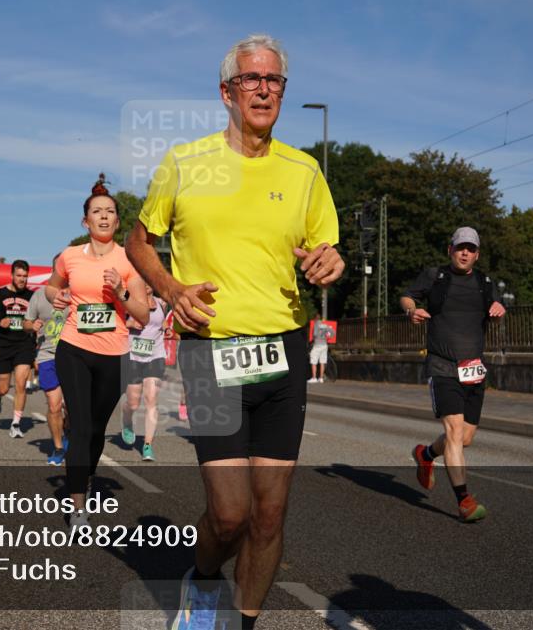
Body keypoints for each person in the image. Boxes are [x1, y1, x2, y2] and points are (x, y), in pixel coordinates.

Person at [125, 34, 344, 629]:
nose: (265, 89)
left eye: (275, 80)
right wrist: (171, 291)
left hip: (284, 351)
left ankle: (243, 623)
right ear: (226, 91)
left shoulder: (304, 171)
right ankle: (202, 582)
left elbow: (327, 250)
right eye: (252, 79)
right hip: (211, 352)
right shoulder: (185, 163)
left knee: (269, 515)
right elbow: (138, 242)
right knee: (229, 514)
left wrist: (333, 263)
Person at [46, 180, 150, 526]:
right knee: (81, 425)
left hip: (114, 355)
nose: (103, 217)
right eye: (97, 212)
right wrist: (55, 298)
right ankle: (77, 507)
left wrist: (121, 291)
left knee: (96, 430)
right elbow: (52, 286)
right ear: (85, 221)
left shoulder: (129, 259)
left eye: (110, 212)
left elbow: (143, 313)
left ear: (117, 222)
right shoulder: (70, 255)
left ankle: (83, 478)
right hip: (74, 347)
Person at [402, 226, 505, 523]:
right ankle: (465, 501)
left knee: (465, 438)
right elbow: (407, 297)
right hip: (442, 366)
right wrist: (411, 311)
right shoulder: (436, 277)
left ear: (477, 254)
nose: (465, 253)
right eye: (460, 247)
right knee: (455, 433)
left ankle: (425, 455)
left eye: (471, 249)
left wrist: (500, 308)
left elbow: (495, 310)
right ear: (450, 250)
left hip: (474, 370)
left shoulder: (486, 283)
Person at [0, 260, 37, 438]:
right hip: (3, 344)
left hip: (24, 344)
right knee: (4, 388)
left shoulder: (31, 296)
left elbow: (39, 315)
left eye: (25, 276)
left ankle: (15, 424)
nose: (22, 279)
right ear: (12, 275)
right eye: (19, 276)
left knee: (21, 384)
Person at [24, 262, 69, 466]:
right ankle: (58, 447)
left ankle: (67, 430)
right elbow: (27, 322)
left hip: (74, 356)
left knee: (71, 408)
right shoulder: (39, 295)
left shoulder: (78, 293)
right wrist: (31, 325)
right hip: (47, 355)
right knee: (54, 405)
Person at [121, 286, 169, 461]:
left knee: (151, 400)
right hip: (133, 356)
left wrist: (166, 327)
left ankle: (147, 445)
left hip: (155, 356)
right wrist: (130, 323)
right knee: (133, 403)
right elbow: (116, 321)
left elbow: (162, 322)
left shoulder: (161, 303)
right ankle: (127, 422)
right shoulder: (128, 301)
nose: (146, 284)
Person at [307, 313, 335, 384]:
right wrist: (327, 336)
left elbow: (315, 334)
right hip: (324, 345)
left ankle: (314, 378)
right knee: (322, 362)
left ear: (315, 319)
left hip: (317, 345)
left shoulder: (316, 324)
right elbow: (333, 333)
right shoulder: (325, 325)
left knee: (313, 361)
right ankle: (321, 378)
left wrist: (313, 339)